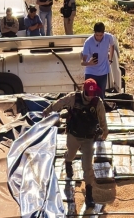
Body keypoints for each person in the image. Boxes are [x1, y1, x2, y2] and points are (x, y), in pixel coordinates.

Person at [43, 78, 108, 207]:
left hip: (89, 139)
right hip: (74, 136)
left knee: (87, 167)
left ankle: (89, 194)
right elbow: (60, 103)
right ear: (84, 91)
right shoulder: (73, 98)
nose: (90, 97)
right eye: (88, 94)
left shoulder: (97, 103)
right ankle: (68, 161)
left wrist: (105, 132)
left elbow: (102, 119)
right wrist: (48, 110)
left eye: (93, 94)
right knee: (71, 154)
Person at [81, 21, 117, 95]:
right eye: (97, 35)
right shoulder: (88, 42)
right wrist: (89, 63)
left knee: (101, 95)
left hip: (103, 72)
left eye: (101, 35)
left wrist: (110, 59)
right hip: (90, 73)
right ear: (94, 32)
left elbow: (112, 46)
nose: (99, 37)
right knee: (89, 95)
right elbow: (82, 62)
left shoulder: (109, 37)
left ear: (104, 33)